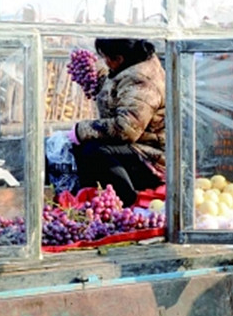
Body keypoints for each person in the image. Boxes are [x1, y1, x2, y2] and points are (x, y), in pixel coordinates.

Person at [67, 38, 166, 207]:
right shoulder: (128, 68)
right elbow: (118, 94)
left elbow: (126, 128)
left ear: (119, 58)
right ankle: (93, 201)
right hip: (136, 147)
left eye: (106, 58)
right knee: (82, 149)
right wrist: (98, 79)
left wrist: (81, 130)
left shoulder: (141, 81)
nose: (104, 62)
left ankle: (126, 200)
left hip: (151, 157)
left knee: (95, 152)